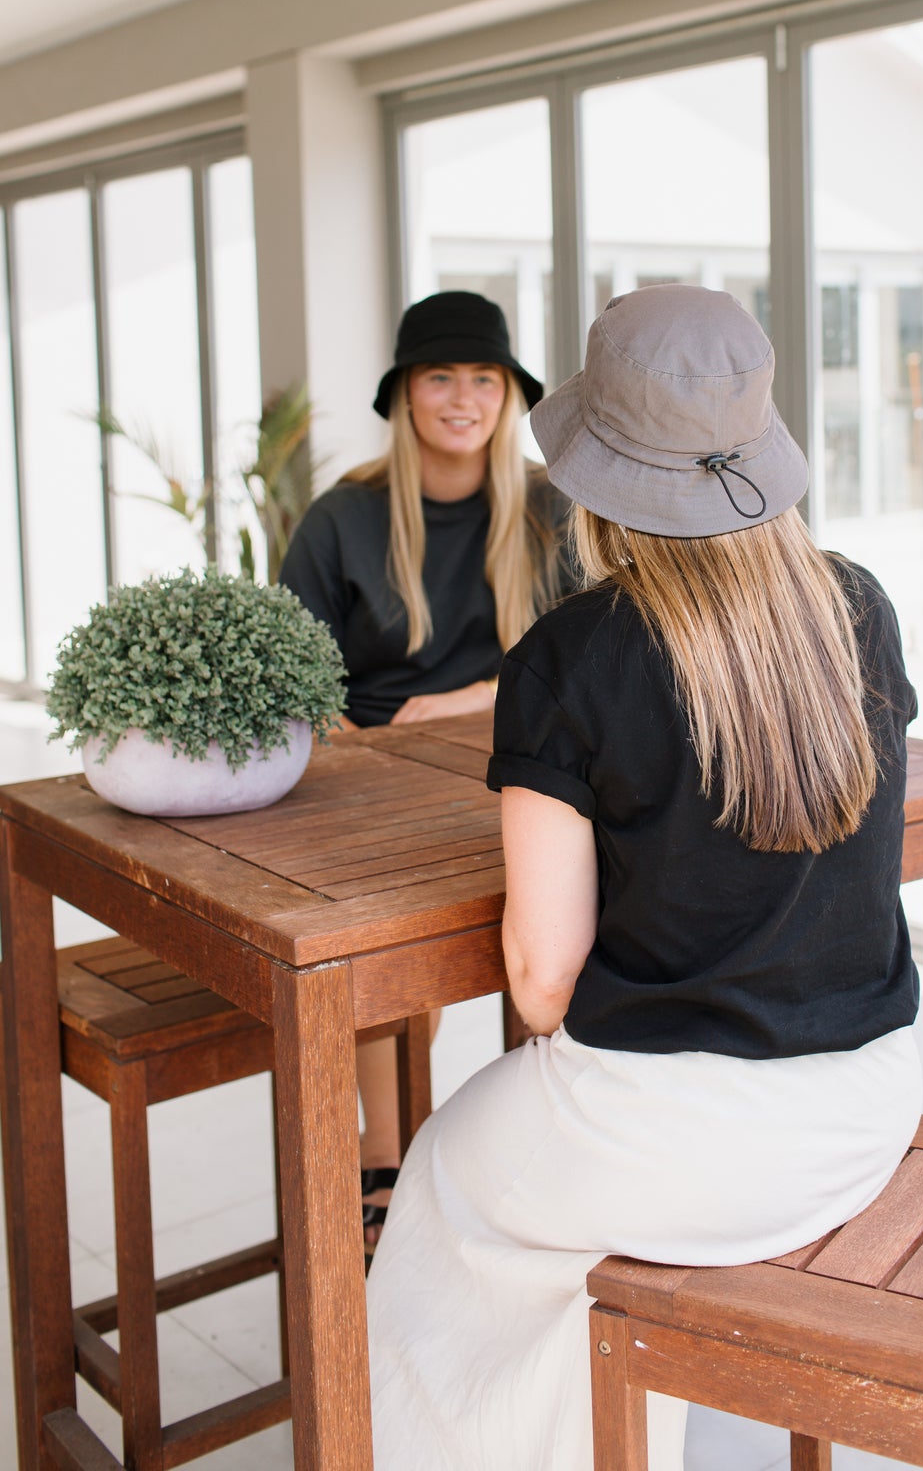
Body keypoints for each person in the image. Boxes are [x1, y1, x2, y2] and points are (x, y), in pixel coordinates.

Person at [367, 283, 922, 1471]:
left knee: (434, 1192)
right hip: (867, 1112)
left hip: (680, 1144)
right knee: (566, 1204)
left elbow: (541, 979)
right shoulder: (858, 608)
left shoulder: (569, 658)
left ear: (596, 477)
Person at [279, 290, 567, 1259]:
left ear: (507, 395)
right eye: (440, 376)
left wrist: (458, 703)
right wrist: (349, 750)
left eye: (483, 378)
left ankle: (533, 1153)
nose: (462, 397)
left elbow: (583, 661)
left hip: (516, 769)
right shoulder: (344, 519)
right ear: (406, 393)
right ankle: (384, 1169)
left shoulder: (550, 510)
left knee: (557, 924)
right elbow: (293, 678)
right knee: (387, 958)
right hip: (367, 787)